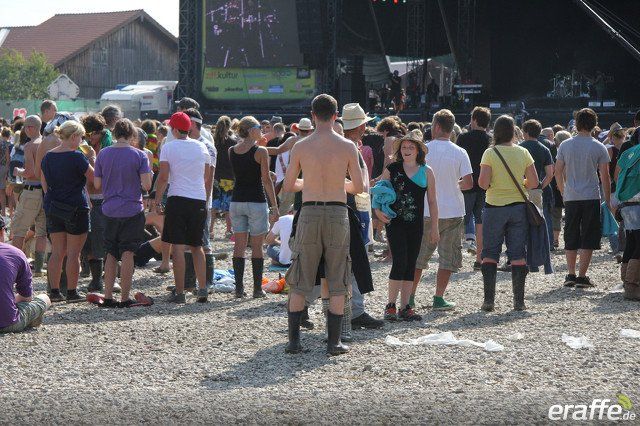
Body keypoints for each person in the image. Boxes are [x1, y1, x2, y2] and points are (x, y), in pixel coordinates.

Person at [283, 94, 364, 356]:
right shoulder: (348, 146)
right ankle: (334, 342)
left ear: (313, 115)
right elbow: (359, 187)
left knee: (301, 276)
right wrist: (338, 182)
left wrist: (309, 182)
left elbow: (289, 185)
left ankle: (294, 342)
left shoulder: (301, 146)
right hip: (337, 212)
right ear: (336, 115)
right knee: (337, 274)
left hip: (309, 211)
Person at [374, 129, 438, 321]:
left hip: (416, 224)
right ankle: (390, 306)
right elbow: (378, 192)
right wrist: (377, 211)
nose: (407, 150)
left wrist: (435, 227)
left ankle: (405, 307)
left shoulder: (427, 171)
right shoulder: (392, 168)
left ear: (419, 150)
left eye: (411, 147)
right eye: (404, 147)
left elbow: (433, 201)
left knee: (411, 263)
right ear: (399, 150)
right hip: (394, 222)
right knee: (399, 261)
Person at [413, 110, 473, 310]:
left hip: (426, 210)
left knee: (419, 257)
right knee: (448, 258)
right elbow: (468, 183)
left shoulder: (423, 150)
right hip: (453, 210)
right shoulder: (460, 152)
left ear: (437, 126)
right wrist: (455, 184)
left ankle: (410, 296)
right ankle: (438, 297)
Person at [478, 115, 539, 311]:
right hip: (518, 207)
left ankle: (489, 301)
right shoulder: (523, 152)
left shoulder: (490, 153)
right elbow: (534, 182)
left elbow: (483, 183)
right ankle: (519, 302)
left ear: (495, 132)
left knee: (490, 253)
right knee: (518, 253)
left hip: (494, 207)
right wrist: (521, 183)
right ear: (514, 132)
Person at [154, 112, 212, 304]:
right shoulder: (201, 146)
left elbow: (163, 177)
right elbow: (205, 176)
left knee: (178, 247)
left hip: (177, 198)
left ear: (174, 129)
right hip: (198, 199)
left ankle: (180, 292)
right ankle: (202, 289)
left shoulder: (168, 147)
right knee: (197, 246)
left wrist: (157, 200)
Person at [93, 118, 152, 307]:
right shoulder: (140, 155)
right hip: (132, 209)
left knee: (110, 253)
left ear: (115, 133)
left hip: (109, 209)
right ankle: (125, 297)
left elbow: (97, 184)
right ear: (132, 134)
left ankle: (108, 296)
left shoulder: (103, 154)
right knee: (128, 253)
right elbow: (147, 185)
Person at [554, 108, 611, 288]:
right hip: (591, 195)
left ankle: (570, 274)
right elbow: (605, 177)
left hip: (571, 195)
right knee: (589, 235)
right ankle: (582, 276)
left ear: (576, 124)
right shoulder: (599, 147)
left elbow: (557, 171)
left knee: (570, 233)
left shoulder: (565, 145)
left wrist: (563, 191)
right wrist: (608, 199)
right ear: (594, 124)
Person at [41, 120, 95, 303]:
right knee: (73, 254)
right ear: (73, 136)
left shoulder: (48, 156)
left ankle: (54, 292)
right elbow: (94, 178)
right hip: (76, 207)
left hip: (54, 207)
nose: (81, 141)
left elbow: (45, 183)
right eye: (81, 137)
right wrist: (92, 158)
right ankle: (72, 292)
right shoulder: (77, 156)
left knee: (57, 252)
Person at [229, 116, 279, 299]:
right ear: (251, 131)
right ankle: (257, 289)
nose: (262, 131)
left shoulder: (232, 150)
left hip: (237, 201)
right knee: (257, 247)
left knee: (239, 246)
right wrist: (275, 205)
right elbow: (265, 180)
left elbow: (243, 172)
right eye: (259, 127)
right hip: (256, 201)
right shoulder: (261, 151)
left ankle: (239, 289)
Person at [184, 108, 217, 291]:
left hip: (201, 202)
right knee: (188, 243)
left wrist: (204, 202)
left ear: (193, 124)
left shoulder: (207, 146)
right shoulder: (187, 143)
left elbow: (209, 178)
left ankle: (207, 282)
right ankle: (189, 283)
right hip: (188, 200)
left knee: (203, 243)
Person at [0, 216, 51, 333]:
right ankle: (31, 318)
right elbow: (26, 297)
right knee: (44, 298)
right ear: (2, 231)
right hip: (7, 323)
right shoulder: (15, 253)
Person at [11, 115, 47, 277]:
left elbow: (30, 172)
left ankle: (15, 268)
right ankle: (38, 269)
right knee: (41, 232)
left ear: (30, 128)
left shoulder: (30, 145)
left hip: (31, 191)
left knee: (19, 229)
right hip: (45, 192)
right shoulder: (47, 143)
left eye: (26, 127)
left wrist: (18, 171)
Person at [80, 113, 111, 293]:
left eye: (93, 133)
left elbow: (98, 179)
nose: (90, 137)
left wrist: (92, 158)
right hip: (88, 199)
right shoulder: (84, 147)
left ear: (100, 132)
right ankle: (96, 279)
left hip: (102, 200)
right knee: (90, 241)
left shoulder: (108, 148)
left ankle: (100, 280)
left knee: (101, 241)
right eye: (87, 134)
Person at [457, 107, 491, 269]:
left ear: (475, 120)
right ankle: (480, 258)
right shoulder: (491, 140)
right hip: (485, 185)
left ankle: (456, 258)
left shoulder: (463, 138)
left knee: (459, 220)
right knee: (481, 221)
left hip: (467, 182)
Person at [520, 119, 555, 245]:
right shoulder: (544, 149)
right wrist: (540, 186)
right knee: (540, 219)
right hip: (538, 191)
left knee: (521, 221)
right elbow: (550, 174)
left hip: (521, 190)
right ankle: (545, 245)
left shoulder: (519, 148)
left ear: (526, 132)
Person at [614, 141, 640, 301]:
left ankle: (626, 281)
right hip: (639, 202)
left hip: (626, 202)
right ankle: (632, 286)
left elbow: (617, 175)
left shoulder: (629, 152)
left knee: (632, 242)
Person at [212, 116, 236, 237]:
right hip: (228, 177)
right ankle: (228, 230)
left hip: (214, 176)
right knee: (227, 206)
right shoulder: (232, 143)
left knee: (213, 205)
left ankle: (210, 230)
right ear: (229, 127)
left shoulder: (212, 141)